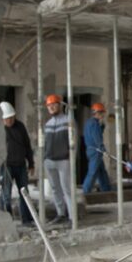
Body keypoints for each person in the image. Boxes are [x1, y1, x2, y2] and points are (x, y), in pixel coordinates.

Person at [0, 101, 35, 227]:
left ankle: (27, 219)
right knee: (6, 195)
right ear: (2, 119)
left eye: (12, 118)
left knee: (24, 193)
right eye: (7, 119)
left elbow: (27, 145)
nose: (10, 121)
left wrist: (31, 163)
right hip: (6, 166)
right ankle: (7, 222)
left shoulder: (20, 127)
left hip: (20, 165)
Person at [44, 94, 72, 224]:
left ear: (59, 105)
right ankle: (61, 214)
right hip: (49, 160)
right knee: (55, 189)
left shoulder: (68, 121)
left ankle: (72, 217)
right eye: (49, 105)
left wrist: (71, 157)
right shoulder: (48, 124)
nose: (51, 107)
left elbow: (73, 141)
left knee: (66, 188)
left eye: (54, 104)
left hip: (63, 160)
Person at [82, 102, 111, 194]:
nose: (103, 115)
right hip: (96, 151)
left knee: (101, 171)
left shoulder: (89, 122)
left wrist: (102, 126)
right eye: (102, 113)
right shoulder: (94, 124)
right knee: (93, 172)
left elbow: (94, 135)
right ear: (98, 113)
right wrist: (103, 149)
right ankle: (86, 191)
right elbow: (97, 137)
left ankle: (106, 189)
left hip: (90, 150)